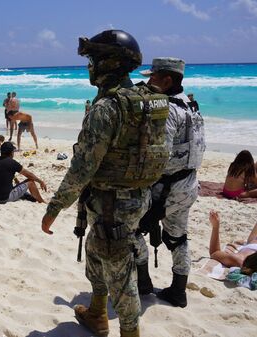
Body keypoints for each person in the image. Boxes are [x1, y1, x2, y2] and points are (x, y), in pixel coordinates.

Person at [41, 30, 169, 337]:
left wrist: (55, 207)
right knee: (96, 253)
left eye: (94, 59)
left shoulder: (107, 108)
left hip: (112, 204)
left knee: (121, 278)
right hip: (135, 198)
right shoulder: (144, 100)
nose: (90, 66)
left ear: (108, 63)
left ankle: (128, 331)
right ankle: (97, 313)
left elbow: (82, 167)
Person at [134, 57, 206, 308]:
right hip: (189, 185)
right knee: (178, 237)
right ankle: (178, 291)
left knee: (132, 229)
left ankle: (143, 282)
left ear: (166, 80)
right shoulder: (192, 106)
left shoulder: (167, 111)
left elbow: (159, 155)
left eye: (152, 77)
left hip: (165, 189)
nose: (148, 81)